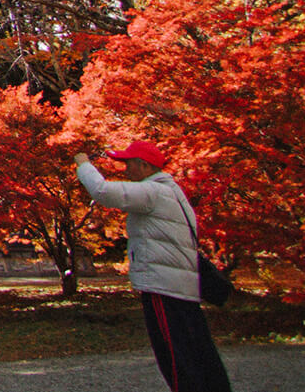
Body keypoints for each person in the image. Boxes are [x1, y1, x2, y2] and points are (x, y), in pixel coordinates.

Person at [74, 141, 232, 392]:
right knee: (198, 352)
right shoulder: (173, 192)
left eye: (129, 164)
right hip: (182, 285)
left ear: (144, 165)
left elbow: (103, 192)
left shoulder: (153, 192)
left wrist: (84, 165)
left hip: (163, 286)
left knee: (175, 356)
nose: (125, 170)